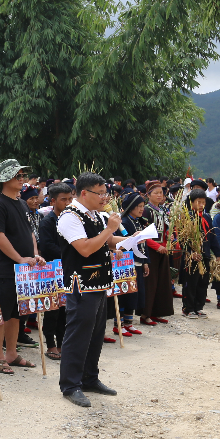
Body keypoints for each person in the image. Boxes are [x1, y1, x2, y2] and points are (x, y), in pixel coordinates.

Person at [56, 173, 122, 408]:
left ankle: (89, 377)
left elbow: (109, 240)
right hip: (81, 283)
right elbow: (84, 248)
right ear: (84, 193)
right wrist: (109, 231)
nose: (105, 197)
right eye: (100, 193)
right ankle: (70, 384)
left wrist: (131, 240)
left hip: (100, 281)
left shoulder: (96, 215)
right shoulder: (69, 216)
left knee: (95, 333)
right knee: (78, 333)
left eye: (106, 193)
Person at [0, 159, 40, 373]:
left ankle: (12, 353)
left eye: (22, 175)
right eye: (18, 176)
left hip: (24, 271)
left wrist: (35, 255)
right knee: (1, 315)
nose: (22, 179)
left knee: (17, 314)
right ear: (5, 179)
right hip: (6, 270)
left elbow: (29, 234)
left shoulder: (19, 202)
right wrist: (19, 258)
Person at [37, 182, 73, 360]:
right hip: (52, 271)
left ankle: (62, 344)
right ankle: (50, 344)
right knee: (52, 309)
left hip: (68, 270)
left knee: (66, 310)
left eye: (70, 199)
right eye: (63, 199)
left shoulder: (73, 219)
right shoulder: (47, 222)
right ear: (53, 201)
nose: (67, 203)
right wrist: (70, 252)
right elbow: (46, 246)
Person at [139, 183, 174, 323]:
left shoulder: (162, 210)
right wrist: (156, 246)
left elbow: (165, 229)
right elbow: (142, 234)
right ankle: (145, 314)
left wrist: (169, 237)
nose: (160, 195)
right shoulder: (146, 210)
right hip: (151, 250)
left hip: (162, 249)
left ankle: (157, 312)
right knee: (151, 282)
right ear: (148, 195)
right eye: (156, 193)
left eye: (161, 193)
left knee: (162, 282)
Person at [116, 192, 149, 331]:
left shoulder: (139, 222)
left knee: (135, 294)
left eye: (143, 206)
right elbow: (120, 244)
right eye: (139, 206)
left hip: (139, 262)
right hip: (127, 264)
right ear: (131, 207)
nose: (142, 209)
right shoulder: (123, 223)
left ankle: (129, 323)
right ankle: (119, 324)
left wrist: (146, 261)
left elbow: (143, 245)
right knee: (125, 294)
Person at [179, 189, 215, 318]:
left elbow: (212, 237)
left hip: (204, 254)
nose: (201, 205)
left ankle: (199, 306)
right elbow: (182, 238)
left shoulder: (206, 217)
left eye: (203, 202)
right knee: (191, 283)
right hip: (192, 257)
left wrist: (217, 254)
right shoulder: (186, 217)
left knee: (203, 283)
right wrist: (190, 252)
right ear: (191, 202)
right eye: (198, 202)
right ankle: (188, 308)